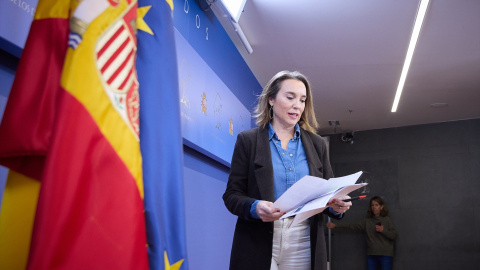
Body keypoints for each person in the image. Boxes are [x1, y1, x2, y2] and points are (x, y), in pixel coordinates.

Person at [223, 70, 352, 270]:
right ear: (271, 100)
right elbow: (232, 195)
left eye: (302, 100)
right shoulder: (247, 141)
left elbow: (330, 193)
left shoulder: (317, 144)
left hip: (304, 239)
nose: (297, 105)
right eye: (290, 97)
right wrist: (254, 206)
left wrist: (337, 206)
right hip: (258, 238)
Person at [326, 196, 397, 270]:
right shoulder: (367, 222)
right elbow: (352, 225)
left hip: (385, 255)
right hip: (371, 254)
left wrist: (383, 230)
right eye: (372, 205)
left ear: (381, 207)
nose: (374, 207)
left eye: (376, 205)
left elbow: (394, 236)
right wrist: (335, 225)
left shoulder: (387, 220)